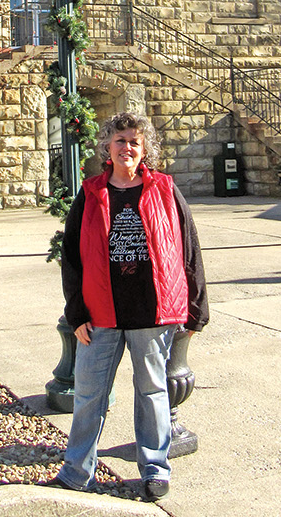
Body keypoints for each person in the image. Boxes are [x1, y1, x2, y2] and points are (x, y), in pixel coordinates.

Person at [53, 112, 208, 501]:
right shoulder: (90, 193)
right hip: (101, 314)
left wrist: (196, 307)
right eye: (120, 140)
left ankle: (155, 468)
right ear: (107, 146)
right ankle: (76, 470)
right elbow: (71, 258)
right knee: (90, 395)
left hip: (152, 311)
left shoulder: (165, 190)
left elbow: (189, 247)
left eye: (134, 142)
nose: (127, 147)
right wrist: (76, 314)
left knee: (153, 392)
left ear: (145, 149)